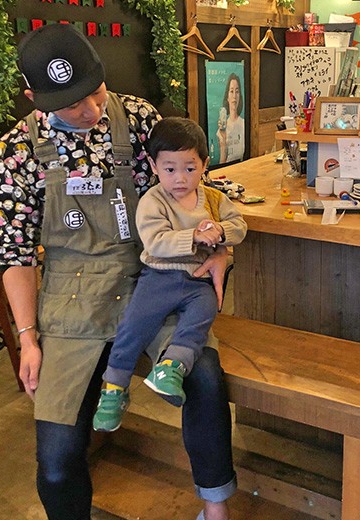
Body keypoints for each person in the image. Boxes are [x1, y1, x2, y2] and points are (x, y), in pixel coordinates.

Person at [0, 24, 236, 520]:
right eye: (72, 104)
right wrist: (28, 338)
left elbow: (197, 192)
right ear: (34, 98)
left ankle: (215, 509)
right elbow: (16, 254)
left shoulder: (141, 120)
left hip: (154, 279)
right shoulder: (15, 153)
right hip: (71, 303)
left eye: (96, 92)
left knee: (205, 378)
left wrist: (221, 251)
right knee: (56, 459)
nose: (91, 110)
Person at [92, 117, 247, 431]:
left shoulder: (215, 198)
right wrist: (195, 237)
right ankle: (114, 387)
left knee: (202, 316)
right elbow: (155, 241)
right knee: (133, 325)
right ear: (153, 165)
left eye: (189, 168)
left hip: (198, 281)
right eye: (170, 169)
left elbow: (239, 226)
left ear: (204, 164)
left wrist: (220, 231)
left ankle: (171, 366)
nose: (180, 178)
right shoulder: (153, 200)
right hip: (159, 278)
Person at [216, 73, 245, 164]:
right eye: (231, 91)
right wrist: (223, 140)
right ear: (227, 96)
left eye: (237, 92)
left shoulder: (244, 124)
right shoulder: (221, 130)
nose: (234, 96)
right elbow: (222, 163)